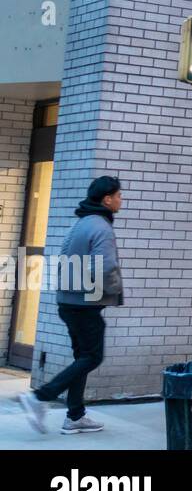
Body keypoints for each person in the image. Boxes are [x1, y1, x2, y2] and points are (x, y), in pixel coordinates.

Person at [16, 176, 124, 435]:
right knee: (92, 356)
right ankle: (40, 397)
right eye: (119, 195)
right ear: (107, 199)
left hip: (69, 302)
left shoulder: (82, 224)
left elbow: (66, 261)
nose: (121, 200)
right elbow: (105, 267)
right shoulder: (101, 227)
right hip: (84, 305)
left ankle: (75, 416)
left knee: (82, 357)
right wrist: (115, 289)